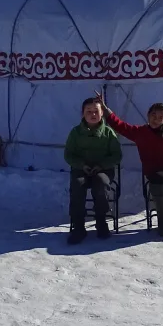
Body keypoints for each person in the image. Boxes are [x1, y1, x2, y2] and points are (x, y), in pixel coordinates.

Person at [97, 92, 163, 239]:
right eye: (153, 115)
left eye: (160, 117)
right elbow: (120, 126)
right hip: (154, 169)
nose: (156, 119)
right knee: (160, 182)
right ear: (148, 115)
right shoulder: (140, 132)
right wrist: (105, 109)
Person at [63, 96, 122, 244]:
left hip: (103, 169)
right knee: (77, 185)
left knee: (101, 184)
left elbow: (117, 155)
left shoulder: (108, 133)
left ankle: (101, 222)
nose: (93, 114)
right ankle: (78, 227)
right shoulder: (75, 133)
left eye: (96, 111)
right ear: (83, 113)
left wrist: (101, 165)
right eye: (89, 111)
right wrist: (81, 165)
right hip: (81, 169)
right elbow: (69, 154)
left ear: (102, 113)